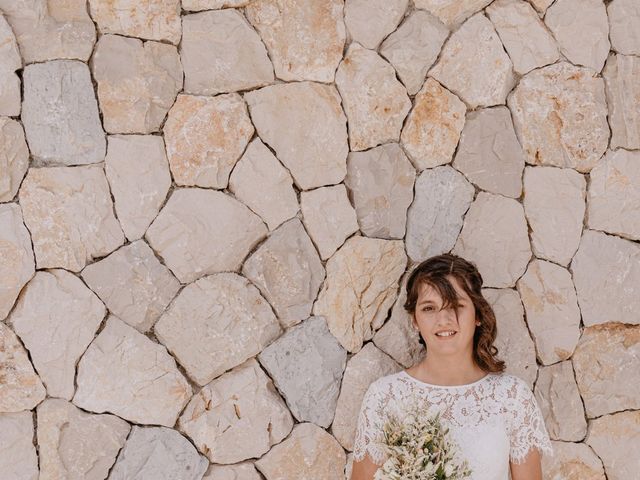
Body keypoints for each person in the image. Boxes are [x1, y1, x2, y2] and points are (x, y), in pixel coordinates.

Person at [350, 254, 553, 480]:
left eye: (456, 305)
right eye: (429, 308)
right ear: (415, 320)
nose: (444, 319)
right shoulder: (386, 397)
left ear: (477, 314)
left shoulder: (512, 397)